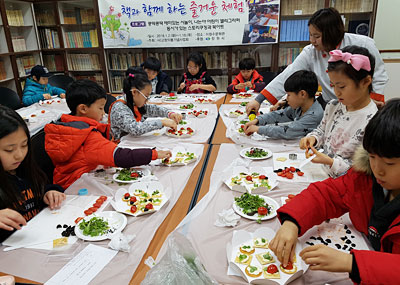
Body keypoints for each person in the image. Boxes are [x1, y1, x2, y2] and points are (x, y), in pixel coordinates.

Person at [270, 98, 400, 284]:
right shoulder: (365, 177)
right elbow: (328, 194)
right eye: (372, 156)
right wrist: (292, 222)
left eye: (389, 163)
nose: (378, 169)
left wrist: (352, 263)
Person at [245, 7, 388, 114]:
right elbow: (288, 75)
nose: (312, 41)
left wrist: (371, 104)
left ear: (332, 33)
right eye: (310, 35)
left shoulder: (363, 44)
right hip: (332, 108)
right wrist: (259, 100)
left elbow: (378, 77)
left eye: (317, 36)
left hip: (362, 107)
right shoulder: (311, 52)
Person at [44, 80, 172, 189]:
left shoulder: (69, 126)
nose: (103, 114)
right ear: (83, 109)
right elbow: (121, 157)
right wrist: (154, 154)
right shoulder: (86, 135)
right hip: (77, 187)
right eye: (100, 108)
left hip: (67, 181)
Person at [299, 45, 378, 178]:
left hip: (344, 184)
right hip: (321, 173)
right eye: (333, 85)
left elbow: (364, 170)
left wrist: (330, 162)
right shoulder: (333, 106)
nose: (336, 92)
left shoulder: (372, 121)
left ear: (366, 81)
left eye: (341, 86)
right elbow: (322, 131)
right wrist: (313, 138)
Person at [0, 105, 65, 242]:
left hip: (39, 237)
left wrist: (50, 192)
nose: (19, 155)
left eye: (24, 145)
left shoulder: (24, 168)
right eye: (9, 150)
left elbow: (41, 185)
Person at [243, 70, 323, 139]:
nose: (287, 99)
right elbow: (280, 114)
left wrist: (258, 129)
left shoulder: (313, 115)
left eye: (289, 95)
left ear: (302, 94)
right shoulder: (300, 107)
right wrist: (258, 120)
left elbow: (287, 131)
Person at [109, 70, 182, 141]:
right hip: (121, 145)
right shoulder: (119, 108)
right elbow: (135, 128)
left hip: (133, 141)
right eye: (146, 96)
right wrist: (162, 122)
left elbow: (151, 109)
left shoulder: (133, 102)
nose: (147, 100)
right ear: (134, 92)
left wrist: (169, 114)